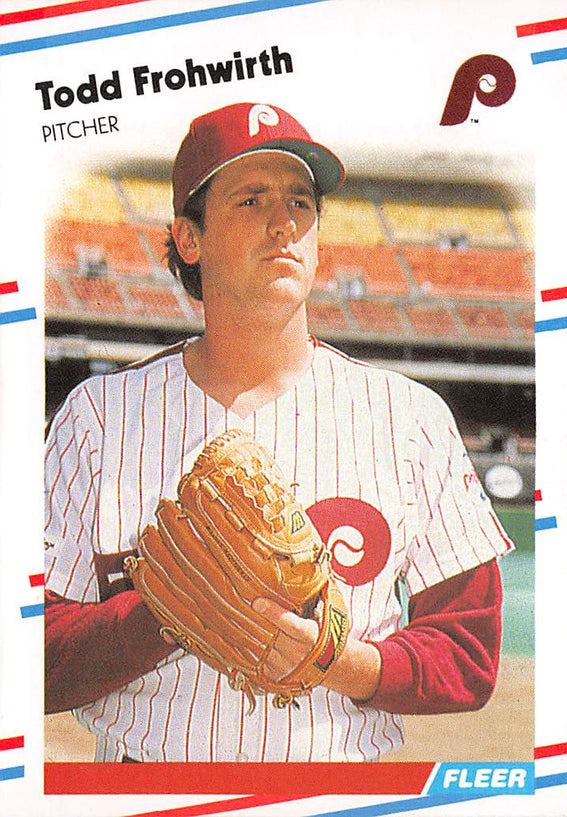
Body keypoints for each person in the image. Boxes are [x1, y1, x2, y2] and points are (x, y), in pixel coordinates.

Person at [44, 102, 513, 763]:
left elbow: (467, 653)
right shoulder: (97, 417)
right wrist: (168, 612)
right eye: (252, 199)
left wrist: (338, 662)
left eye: (301, 201)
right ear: (189, 239)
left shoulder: (410, 418)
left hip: (336, 790)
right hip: (150, 784)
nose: (285, 222)